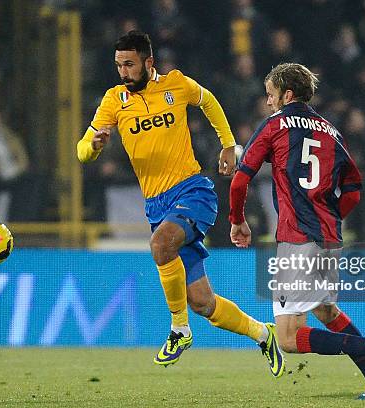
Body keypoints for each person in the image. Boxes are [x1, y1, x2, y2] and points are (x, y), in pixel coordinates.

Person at [77, 30, 284, 376]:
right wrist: (95, 145)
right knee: (204, 302)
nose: (123, 72)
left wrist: (228, 144)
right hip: (157, 205)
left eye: (129, 64)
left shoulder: (176, 84)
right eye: (118, 65)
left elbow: (209, 102)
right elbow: (81, 151)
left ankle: (179, 329)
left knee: (160, 245)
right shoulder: (114, 101)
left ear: (149, 62)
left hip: (193, 191)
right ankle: (264, 334)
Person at [229, 63, 365, 399]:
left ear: (287, 94)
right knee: (326, 311)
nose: (268, 103)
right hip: (329, 239)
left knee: (288, 339)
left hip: (297, 239)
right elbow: (353, 188)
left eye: (270, 95)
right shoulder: (331, 131)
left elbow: (239, 180)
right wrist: (330, 217)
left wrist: (238, 220)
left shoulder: (275, 125)